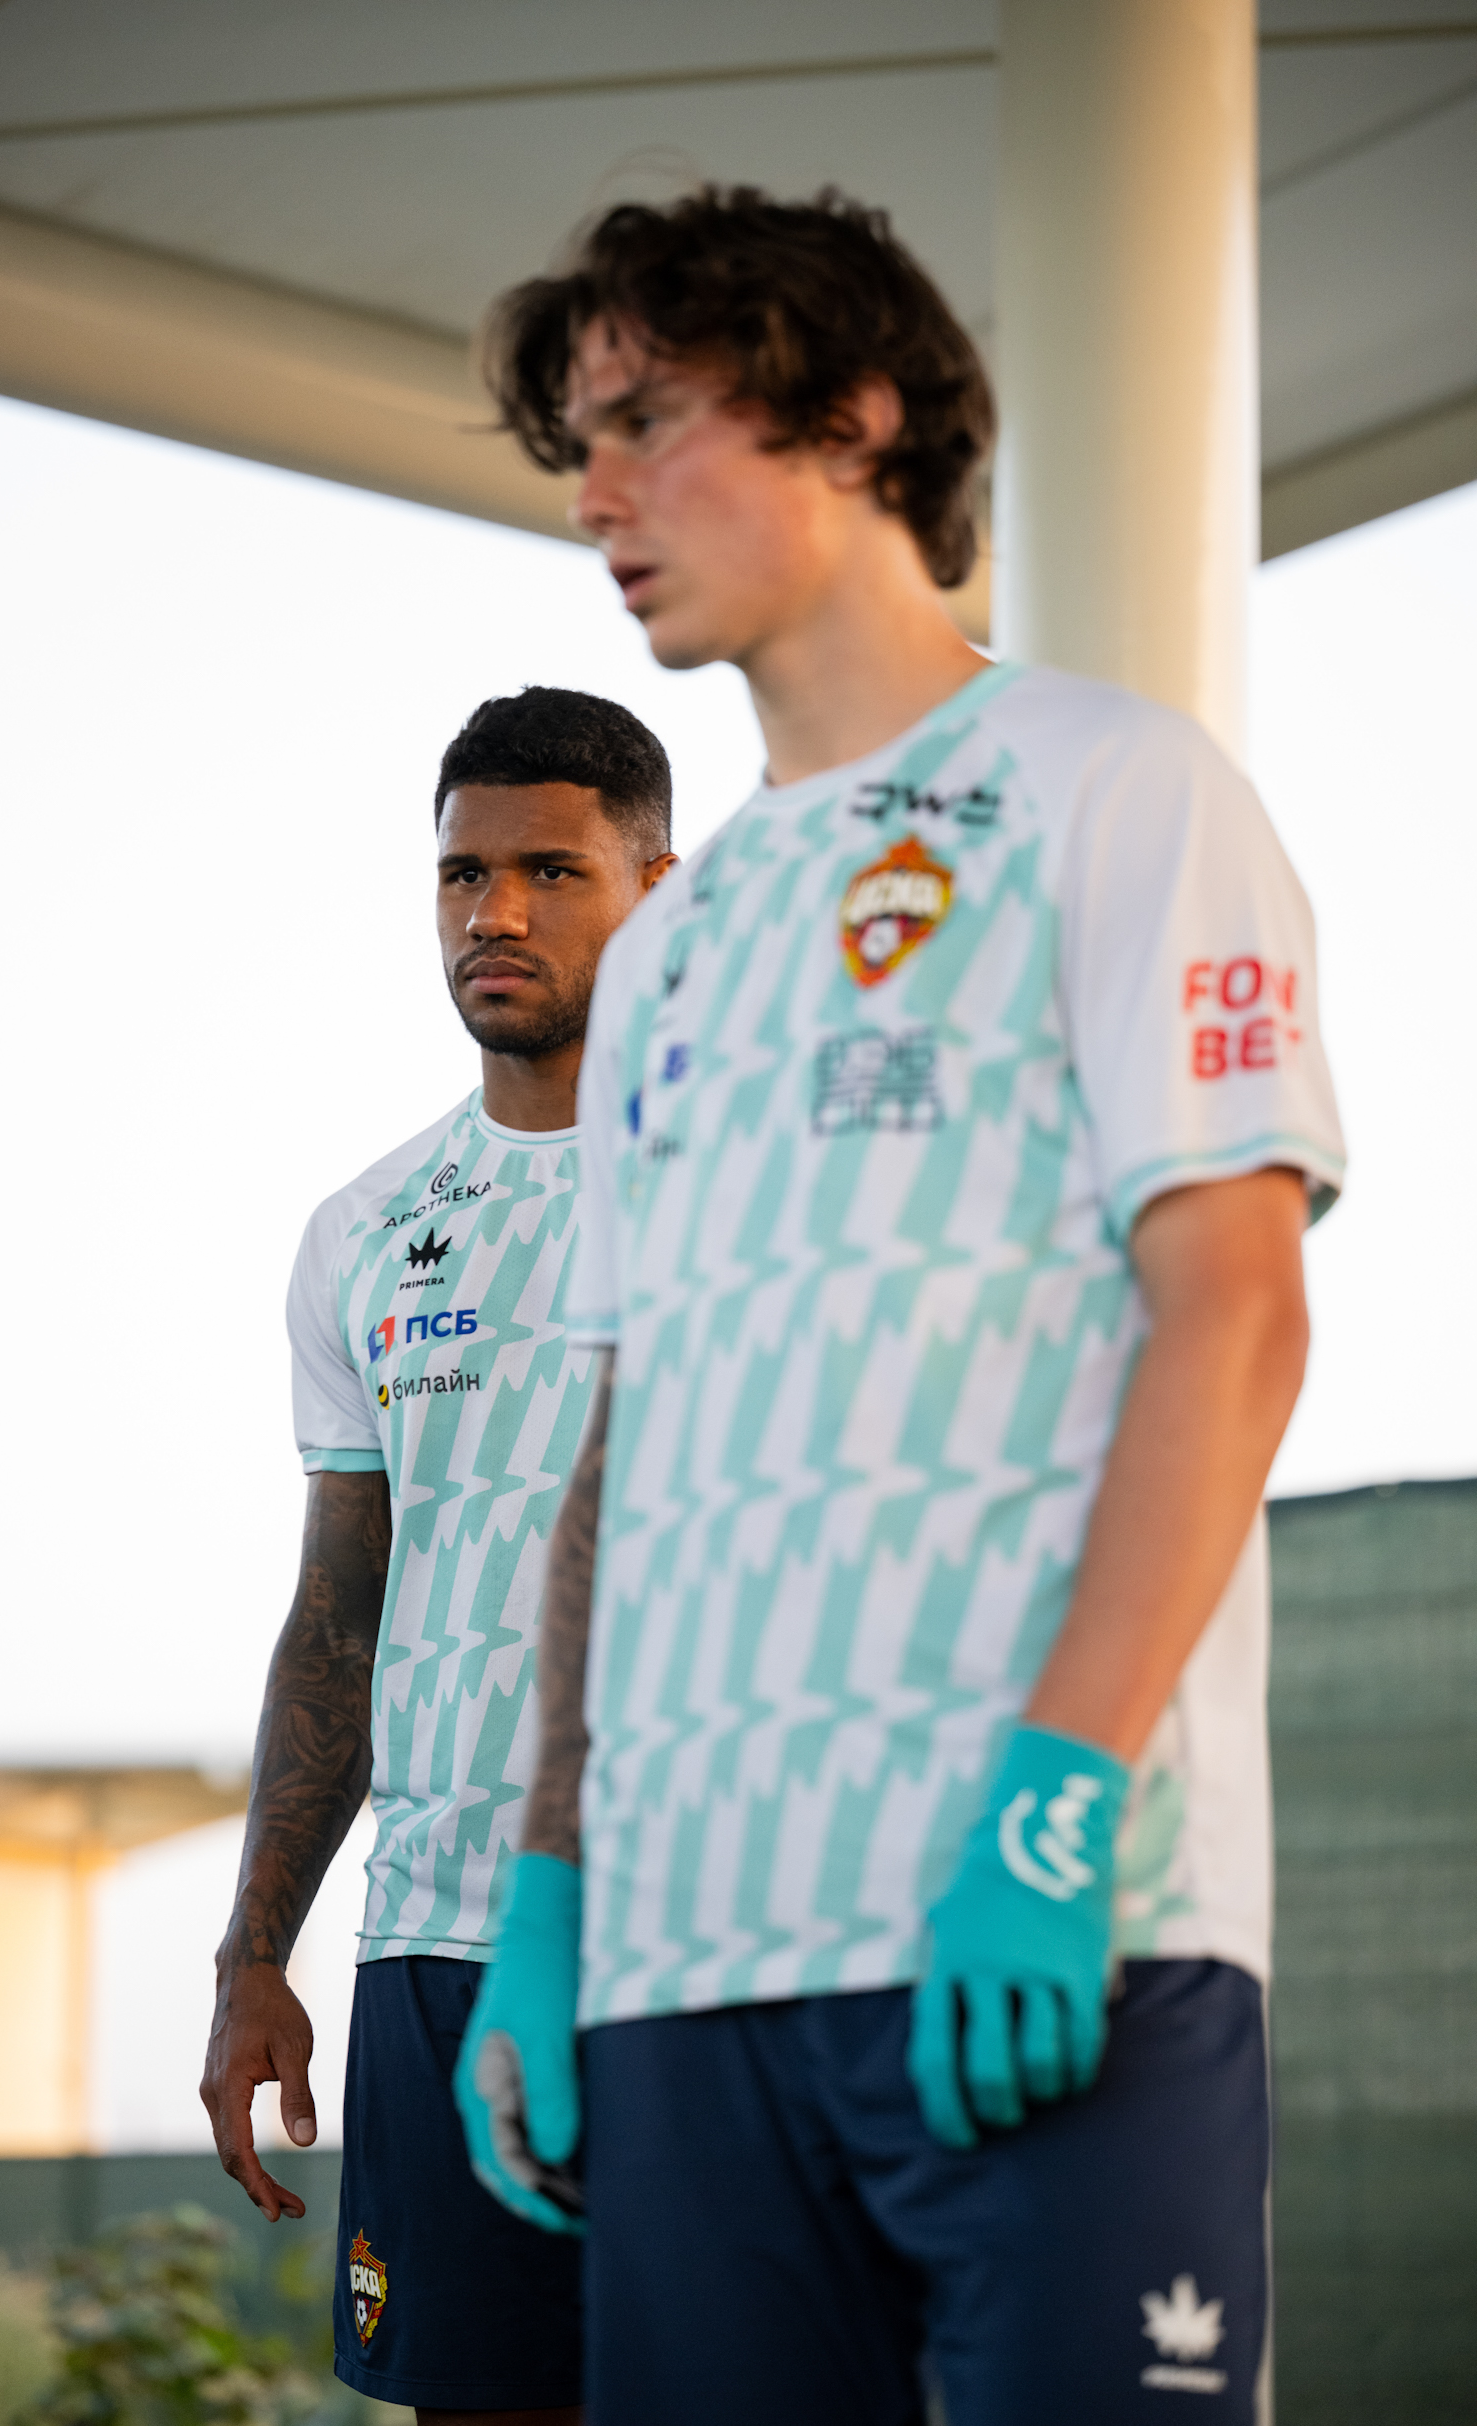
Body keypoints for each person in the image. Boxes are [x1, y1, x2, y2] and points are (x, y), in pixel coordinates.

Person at [452, 189, 1347, 2426]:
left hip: (1054, 1926)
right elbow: (619, 1451)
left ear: (851, 417)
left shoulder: (1116, 785)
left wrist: (1054, 1793)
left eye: (648, 421)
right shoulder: (669, 943)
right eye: (578, 440)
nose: (595, 494)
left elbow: (1233, 1318)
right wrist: (548, 1892)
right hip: (681, 1975)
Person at [200, 685, 676, 2423]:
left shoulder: (750, 1181)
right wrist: (256, 1951)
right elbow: (338, 1617)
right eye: (465, 874)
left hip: (709, 1940)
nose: (497, 913)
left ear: (658, 891)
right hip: (436, 1949)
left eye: (553, 870)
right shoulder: (365, 1230)